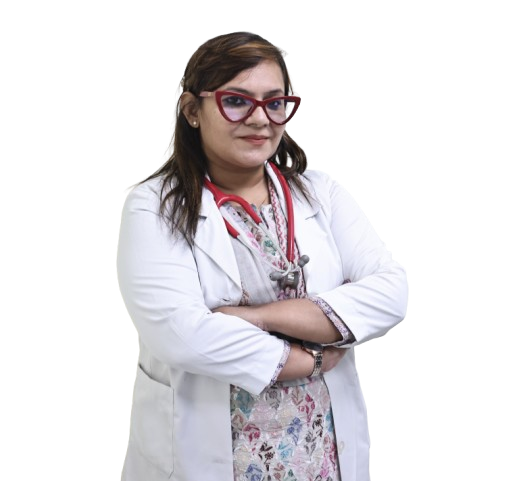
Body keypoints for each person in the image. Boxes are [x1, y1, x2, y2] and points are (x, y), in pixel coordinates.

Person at [116, 30, 409, 481]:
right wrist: (308, 359)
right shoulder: (154, 207)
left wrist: (253, 317)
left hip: (323, 455)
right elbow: (180, 333)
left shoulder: (322, 194)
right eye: (237, 101)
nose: (260, 119)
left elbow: (391, 293)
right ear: (192, 110)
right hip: (216, 459)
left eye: (275, 103)